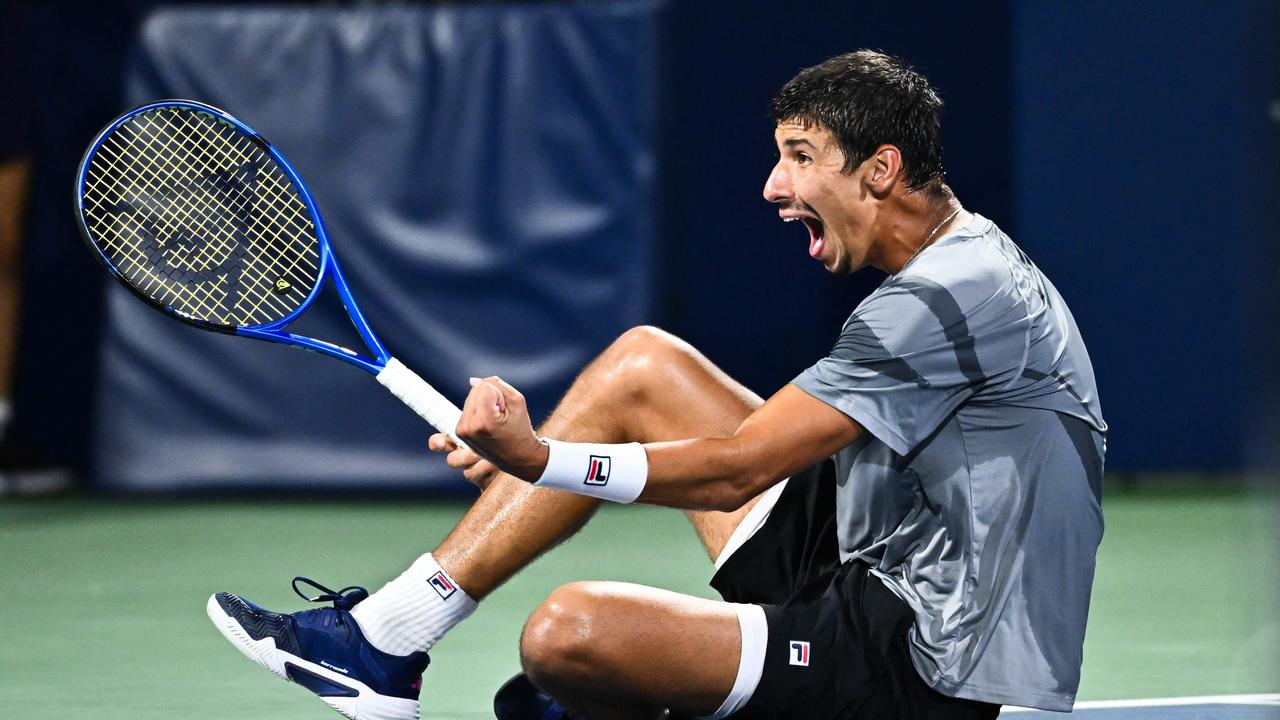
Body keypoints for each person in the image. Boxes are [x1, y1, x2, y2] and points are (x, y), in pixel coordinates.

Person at [208, 50, 1106, 720]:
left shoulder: (945, 299)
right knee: (644, 365)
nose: (771, 186)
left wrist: (539, 457)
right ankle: (384, 640)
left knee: (569, 636)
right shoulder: (959, 256)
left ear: (878, 170)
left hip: (923, 655)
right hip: (880, 551)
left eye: (799, 156)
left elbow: (734, 472)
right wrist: (535, 460)